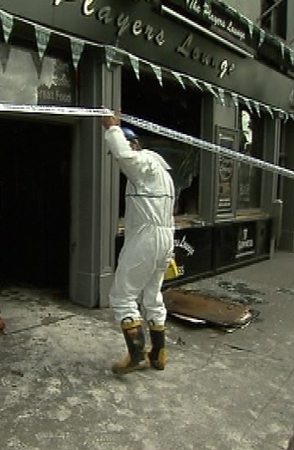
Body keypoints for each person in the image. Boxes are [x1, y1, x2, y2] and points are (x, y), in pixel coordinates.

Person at [102, 111, 176, 374]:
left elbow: (125, 156)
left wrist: (112, 129)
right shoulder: (163, 173)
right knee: (152, 296)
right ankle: (158, 353)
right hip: (165, 237)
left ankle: (136, 354)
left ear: (133, 144)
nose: (118, 162)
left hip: (148, 237)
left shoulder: (145, 163)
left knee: (122, 296)